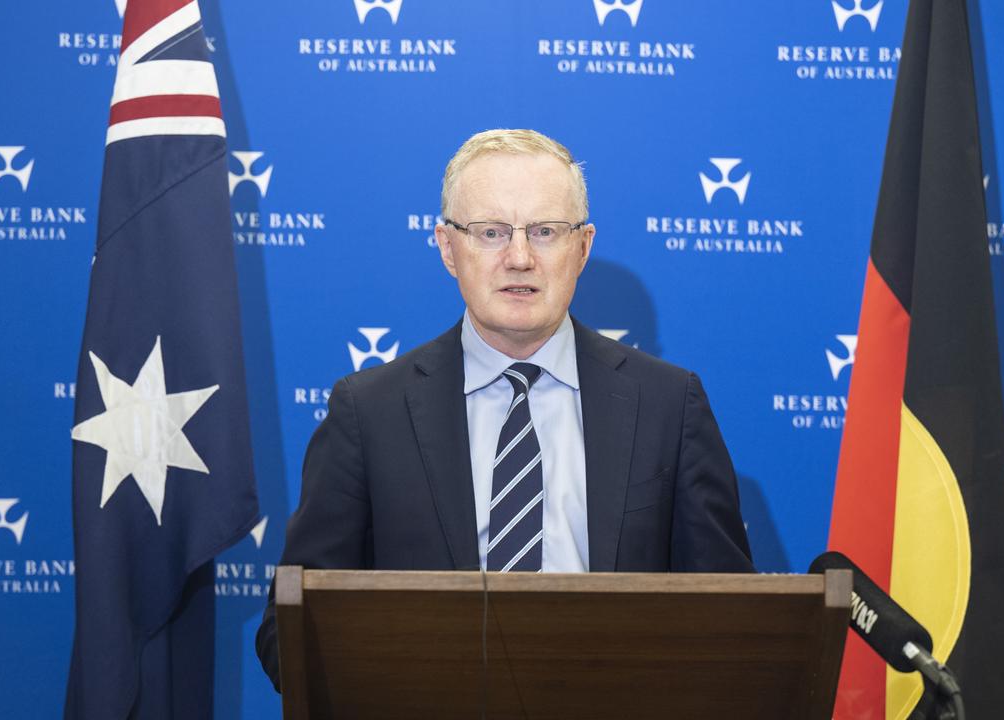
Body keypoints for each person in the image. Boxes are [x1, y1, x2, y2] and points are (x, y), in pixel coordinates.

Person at [256, 129, 753, 689]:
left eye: (545, 232)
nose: (520, 258)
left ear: (583, 248)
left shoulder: (669, 405)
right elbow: (289, 634)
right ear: (447, 247)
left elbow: (732, 624)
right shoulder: (368, 413)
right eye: (491, 233)